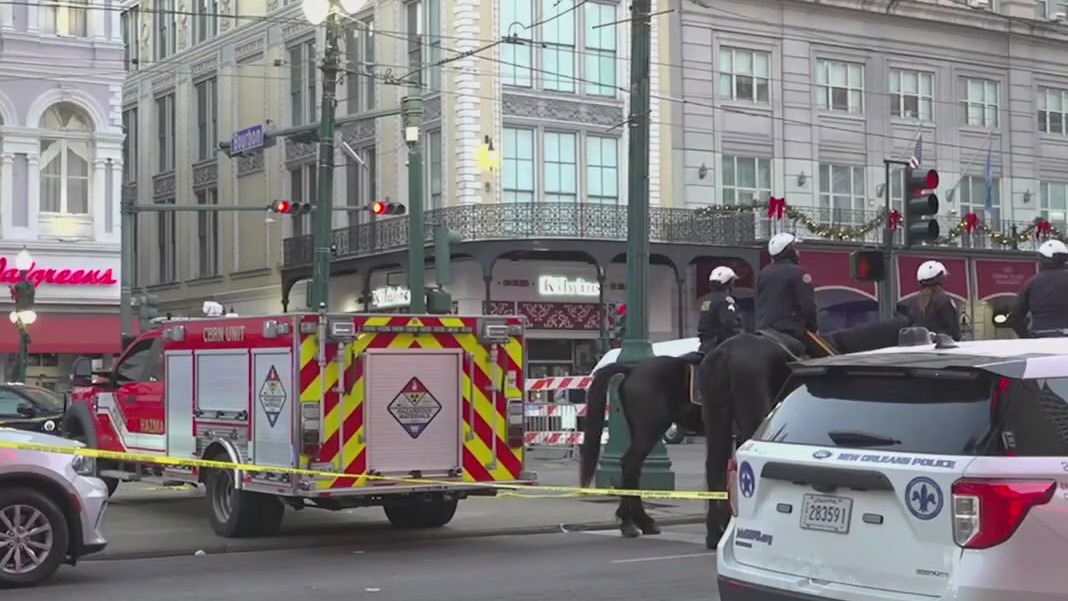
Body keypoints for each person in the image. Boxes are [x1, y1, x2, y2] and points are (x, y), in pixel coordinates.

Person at [755, 233, 823, 356]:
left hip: (764, 329)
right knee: (818, 357)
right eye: (795, 248)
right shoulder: (798, 272)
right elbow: (807, 306)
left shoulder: (764, 273)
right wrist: (813, 327)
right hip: (789, 330)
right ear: (788, 250)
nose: (798, 252)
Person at [1011, 239, 1068, 338]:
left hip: (1041, 337)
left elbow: (1015, 317)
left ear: (1043, 260)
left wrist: (1026, 336)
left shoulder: (1031, 283)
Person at [897, 260, 961, 341]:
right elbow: (955, 332)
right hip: (940, 349)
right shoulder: (945, 301)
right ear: (940, 279)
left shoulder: (910, 303)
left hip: (916, 348)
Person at [697, 266, 745, 354]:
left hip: (705, 347)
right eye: (732, 282)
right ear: (728, 283)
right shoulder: (725, 301)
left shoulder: (707, 299)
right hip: (720, 349)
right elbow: (730, 325)